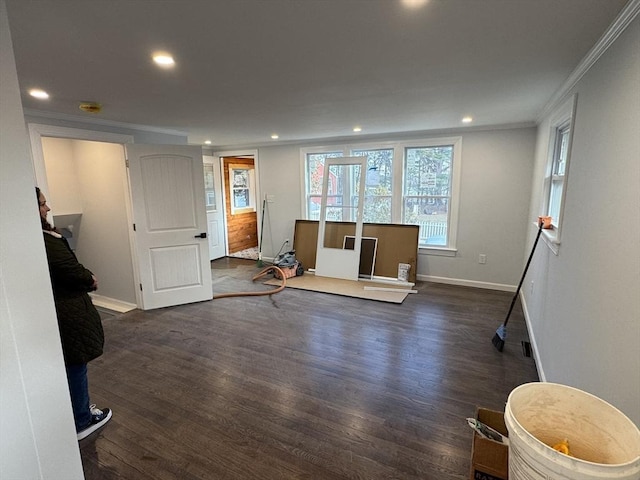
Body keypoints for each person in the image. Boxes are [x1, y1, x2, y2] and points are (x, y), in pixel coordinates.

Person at [36, 187, 112, 440]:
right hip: (66, 310)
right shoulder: (44, 239)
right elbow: (70, 269)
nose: (47, 208)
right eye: (43, 204)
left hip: (53, 308)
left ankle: (68, 413)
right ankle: (81, 419)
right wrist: (89, 278)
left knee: (65, 363)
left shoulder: (32, 237)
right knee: (74, 363)